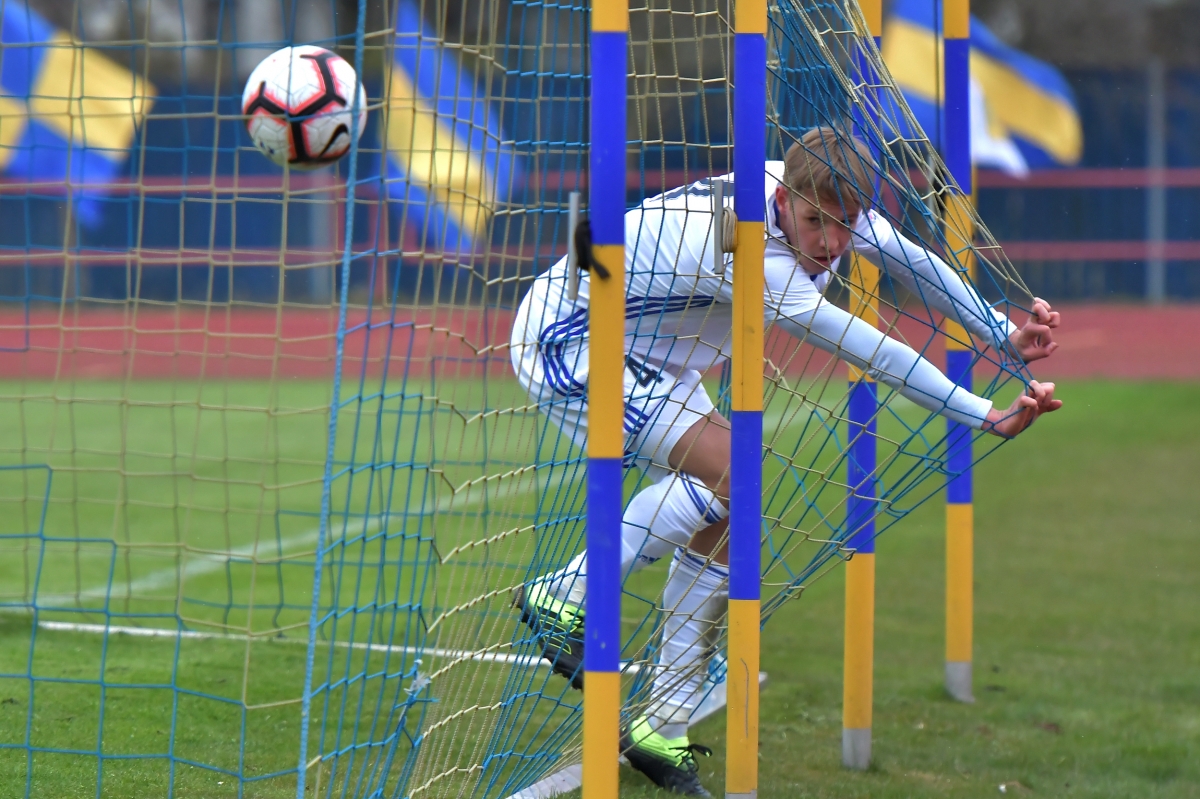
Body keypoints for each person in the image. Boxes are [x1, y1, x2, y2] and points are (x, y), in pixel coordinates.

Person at [508, 126, 1062, 796]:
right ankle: (564, 594)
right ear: (785, 200)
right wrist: (983, 414)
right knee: (734, 474)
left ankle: (662, 723)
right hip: (571, 340)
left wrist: (1000, 332)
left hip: (651, 350)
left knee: (729, 514)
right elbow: (877, 352)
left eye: (845, 223)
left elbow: (911, 260)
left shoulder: (809, 187)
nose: (830, 241)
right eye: (815, 222)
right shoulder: (757, 260)